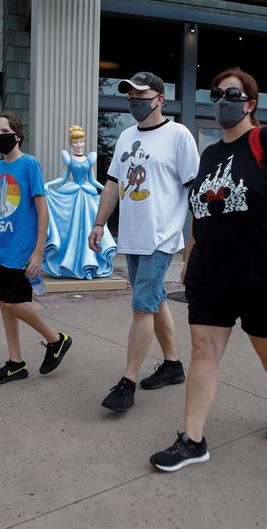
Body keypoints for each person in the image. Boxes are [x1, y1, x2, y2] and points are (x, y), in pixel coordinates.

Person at [148, 68, 267, 472]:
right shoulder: (210, 153)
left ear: (250, 103)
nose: (222, 100)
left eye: (231, 94)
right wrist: (190, 256)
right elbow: (203, 211)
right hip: (211, 272)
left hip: (263, 272)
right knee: (204, 348)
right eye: (216, 93)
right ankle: (193, 440)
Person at [88, 71, 200, 412]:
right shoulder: (125, 136)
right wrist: (98, 223)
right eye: (130, 94)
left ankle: (128, 381)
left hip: (161, 238)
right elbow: (111, 184)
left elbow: (195, 191)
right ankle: (173, 365)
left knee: (142, 306)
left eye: (140, 93)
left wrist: (196, 241)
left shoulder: (178, 135)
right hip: (132, 238)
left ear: (159, 99)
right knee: (155, 299)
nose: (134, 100)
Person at [0, 111, 73, 385]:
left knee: (14, 303)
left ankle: (56, 340)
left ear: (18, 134)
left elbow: (42, 210)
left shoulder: (29, 164)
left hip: (21, 252)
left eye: (4, 131)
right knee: (5, 305)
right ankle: (15, 363)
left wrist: (37, 251)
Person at [43, 125, 117, 279]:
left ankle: (89, 266)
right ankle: (70, 263)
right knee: (73, 229)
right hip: (73, 192)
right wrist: (48, 185)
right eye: (76, 142)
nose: (79, 145)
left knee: (89, 226)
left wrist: (107, 189)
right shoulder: (68, 159)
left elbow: (93, 180)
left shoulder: (90, 158)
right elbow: (63, 178)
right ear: (71, 144)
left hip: (87, 194)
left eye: (81, 142)